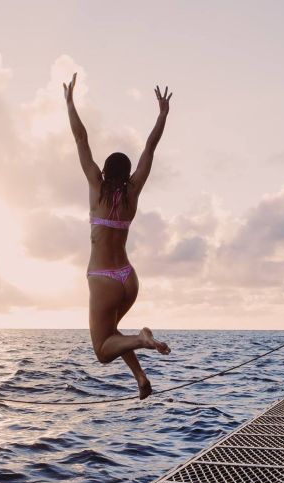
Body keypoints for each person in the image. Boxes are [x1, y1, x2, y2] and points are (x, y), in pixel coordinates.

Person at [63, 72, 172, 399]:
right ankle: (140, 378)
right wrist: (162, 114)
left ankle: (142, 339)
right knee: (113, 334)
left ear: (105, 171)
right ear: (126, 175)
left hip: (103, 279)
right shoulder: (132, 193)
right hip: (128, 278)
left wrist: (69, 102)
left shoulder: (96, 189)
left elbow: (81, 139)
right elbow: (150, 148)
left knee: (101, 349)